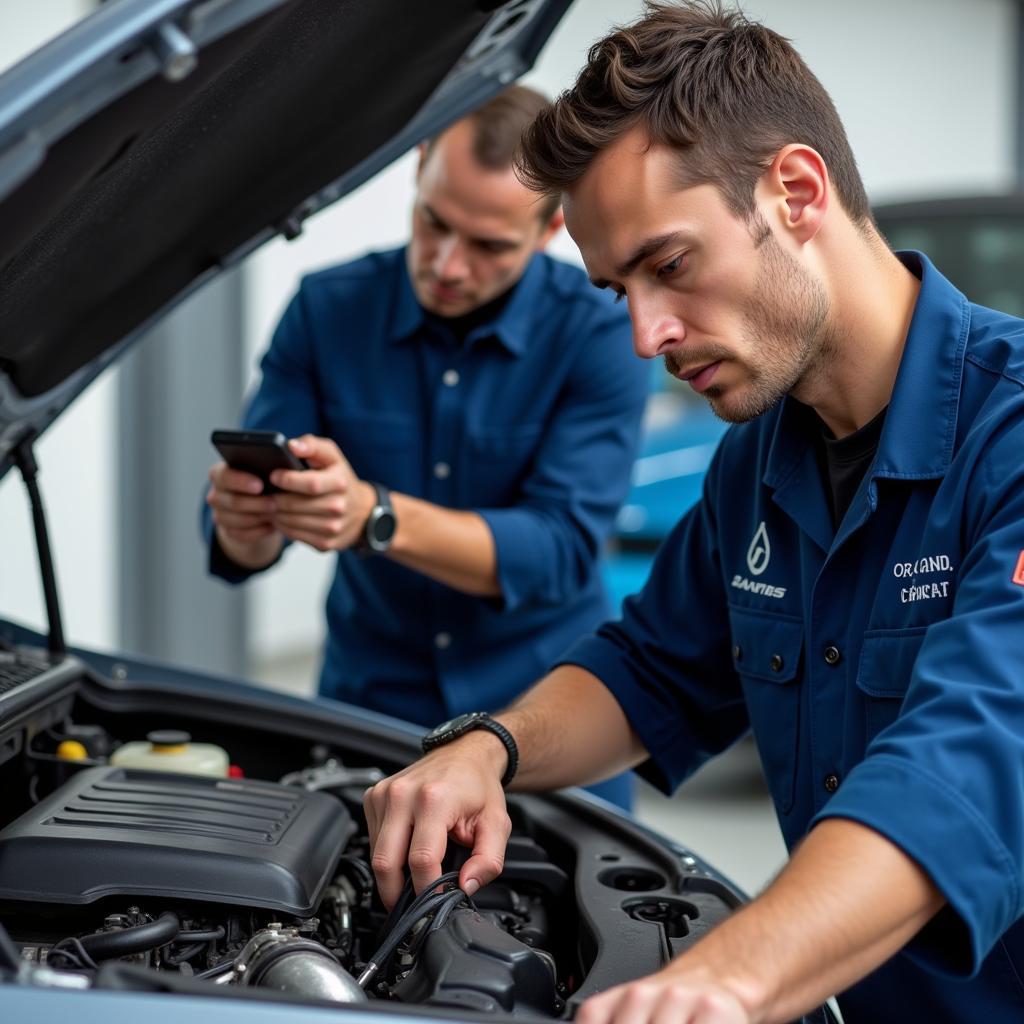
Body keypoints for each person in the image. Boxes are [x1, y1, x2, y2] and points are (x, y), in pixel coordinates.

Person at [362, 4, 1024, 1022]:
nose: (644, 333)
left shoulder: (1009, 434)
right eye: (615, 286)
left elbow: (970, 760)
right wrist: (486, 747)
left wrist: (724, 975)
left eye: (667, 265)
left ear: (794, 191)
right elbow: (651, 668)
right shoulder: (753, 463)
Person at [202, 86, 649, 809]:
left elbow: (560, 549)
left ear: (548, 230)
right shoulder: (326, 309)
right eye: (433, 222)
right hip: (369, 709)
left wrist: (374, 516)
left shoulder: (600, 332)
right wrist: (247, 523)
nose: (445, 264)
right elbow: (246, 546)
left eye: (488, 246)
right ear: (418, 169)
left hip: (544, 717)